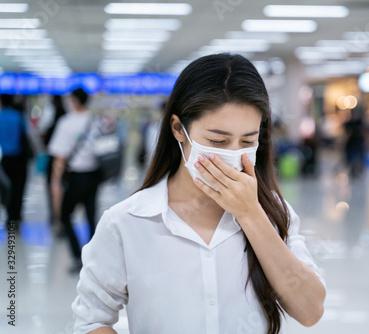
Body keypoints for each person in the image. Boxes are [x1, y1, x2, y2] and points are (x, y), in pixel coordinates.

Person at [71, 53, 326, 334]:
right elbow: (91, 321)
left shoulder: (273, 211)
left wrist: (250, 214)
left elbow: (310, 310)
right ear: (179, 129)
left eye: (247, 141)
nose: (232, 154)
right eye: (218, 140)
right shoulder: (126, 222)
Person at [48, 88, 101, 274]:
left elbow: (59, 157)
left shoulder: (67, 122)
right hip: (94, 174)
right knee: (90, 216)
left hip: (76, 175)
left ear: (74, 101)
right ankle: (96, 260)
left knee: (64, 215)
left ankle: (78, 257)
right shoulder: (95, 120)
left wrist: (55, 182)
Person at [0, 94, 29, 233]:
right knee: (18, 189)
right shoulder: (18, 116)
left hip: (3, 160)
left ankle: (9, 216)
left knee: (6, 189)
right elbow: (26, 134)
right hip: (18, 159)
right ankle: (15, 217)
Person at [42, 95, 67, 236]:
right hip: (68, 165)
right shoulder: (66, 121)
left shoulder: (53, 125)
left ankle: (55, 218)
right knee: (63, 192)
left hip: (54, 162)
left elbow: (46, 143)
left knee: (53, 190)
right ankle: (62, 219)